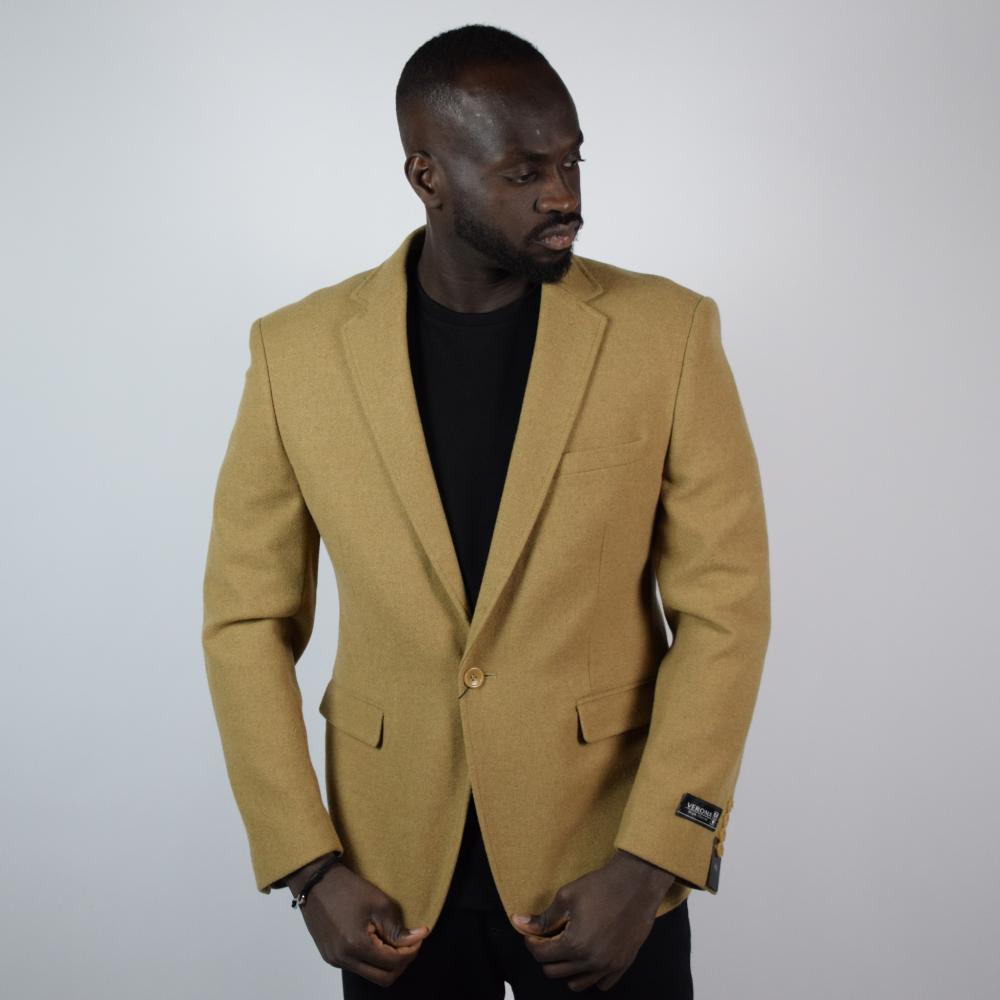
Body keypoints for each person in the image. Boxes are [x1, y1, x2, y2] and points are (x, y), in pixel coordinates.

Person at [201, 23, 771, 998]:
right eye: (523, 172)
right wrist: (308, 866)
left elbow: (726, 610)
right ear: (427, 176)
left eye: (572, 161)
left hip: (603, 869)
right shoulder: (294, 353)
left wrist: (653, 861)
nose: (564, 195)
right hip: (386, 881)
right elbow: (245, 621)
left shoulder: (668, 334)